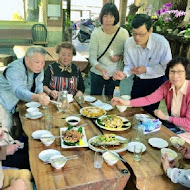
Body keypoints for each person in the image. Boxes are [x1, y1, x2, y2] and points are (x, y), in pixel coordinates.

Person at [112, 57, 190, 132]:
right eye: (172, 71)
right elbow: (148, 99)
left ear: (186, 73)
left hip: (186, 131)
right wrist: (125, 102)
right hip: (174, 127)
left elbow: (188, 122)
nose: (175, 76)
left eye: (179, 72)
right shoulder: (167, 85)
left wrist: (166, 117)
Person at [114, 14, 172, 115]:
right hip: (139, 80)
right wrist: (124, 74)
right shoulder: (129, 43)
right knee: (134, 109)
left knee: (149, 113)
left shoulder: (161, 43)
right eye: (134, 33)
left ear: (150, 31)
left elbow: (167, 67)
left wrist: (146, 70)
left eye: (141, 34)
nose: (137, 38)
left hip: (156, 81)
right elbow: (128, 65)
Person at [0, 46, 50, 132]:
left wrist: (40, 93)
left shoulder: (38, 68)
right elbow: (19, 91)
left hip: (18, 103)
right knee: (5, 133)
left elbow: (39, 83)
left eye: (43, 62)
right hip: (4, 103)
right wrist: (37, 97)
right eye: (37, 62)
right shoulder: (14, 69)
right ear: (27, 59)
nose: (40, 66)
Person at [89, 3, 129, 95]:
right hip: (97, 73)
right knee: (94, 100)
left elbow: (127, 54)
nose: (108, 19)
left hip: (115, 74)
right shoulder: (96, 34)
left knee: (111, 100)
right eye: (105, 16)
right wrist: (102, 69)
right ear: (101, 17)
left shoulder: (123, 34)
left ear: (115, 18)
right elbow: (92, 58)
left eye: (111, 16)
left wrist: (119, 57)